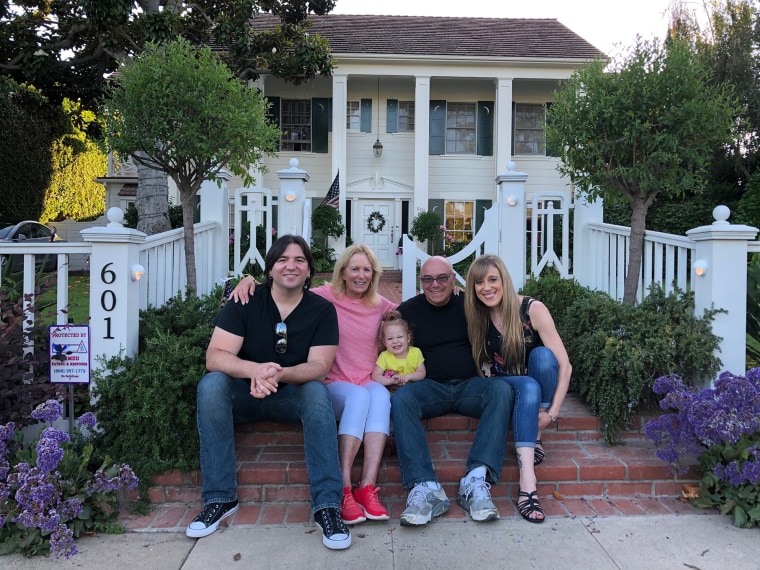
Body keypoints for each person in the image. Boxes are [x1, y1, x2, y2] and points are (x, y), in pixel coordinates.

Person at [187, 235, 351, 550]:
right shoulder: (245, 300)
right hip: (244, 393)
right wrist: (255, 371)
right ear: (271, 269)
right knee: (211, 385)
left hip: (291, 396)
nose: (291, 266)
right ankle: (220, 498)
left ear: (309, 270)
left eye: (299, 260)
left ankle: (327, 506)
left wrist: (280, 373)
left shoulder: (321, 310)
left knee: (317, 392)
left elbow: (319, 366)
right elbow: (215, 356)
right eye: (283, 260)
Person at [232, 244, 396, 525]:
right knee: (359, 398)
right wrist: (249, 280)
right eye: (354, 269)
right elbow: (283, 286)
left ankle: (367, 488)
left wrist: (455, 293)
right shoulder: (323, 296)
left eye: (367, 270)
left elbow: (415, 311)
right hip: (331, 383)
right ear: (342, 272)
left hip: (365, 380)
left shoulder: (380, 305)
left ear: (374, 274)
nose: (361, 275)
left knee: (380, 395)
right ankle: (343, 487)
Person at [392, 256, 514, 526]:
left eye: (442, 278)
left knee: (501, 391)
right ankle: (425, 488)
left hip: (468, 385)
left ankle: (475, 481)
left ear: (453, 279)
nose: (435, 284)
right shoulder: (408, 311)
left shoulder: (469, 305)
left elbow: (503, 301)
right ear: (420, 282)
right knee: (402, 399)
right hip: (429, 387)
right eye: (427, 279)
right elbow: (387, 335)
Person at [464, 254, 572, 524]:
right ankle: (529, 485)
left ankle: (532, 451)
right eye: (479, 283)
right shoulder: (478, 315)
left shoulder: (532, 309)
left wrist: (552, 413)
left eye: (492, 280)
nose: (486, 287)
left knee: (544, 358)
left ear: (504, 280)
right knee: (527, 385)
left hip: (539, 396)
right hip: (506, 386)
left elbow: (565, 366)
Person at [371, 310, 426, 388]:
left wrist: (408, 377)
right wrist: (389, 381)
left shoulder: (416, 352)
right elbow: (375, 376)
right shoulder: (385, 356)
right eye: (390, 338)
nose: (395, 341)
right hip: (391, 392)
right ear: (384, 342)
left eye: (399, 337)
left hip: (412, 390)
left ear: (408, 338)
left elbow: (422, 373)